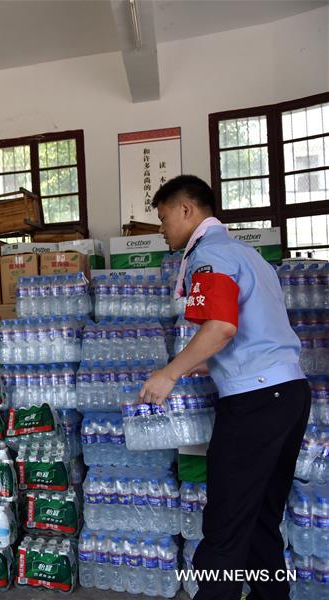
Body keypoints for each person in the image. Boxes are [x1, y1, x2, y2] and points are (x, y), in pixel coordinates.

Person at [139, 175, 310, 600]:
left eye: (162, 218)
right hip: (288, 394)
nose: (161, 229)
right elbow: (249, 329)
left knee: (225, 527)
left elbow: (222, 326)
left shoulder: (210, 254)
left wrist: (171, 372)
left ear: (186, 210)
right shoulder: (248, 255)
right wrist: (207, 362)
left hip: (255, 402)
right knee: (259, 520)